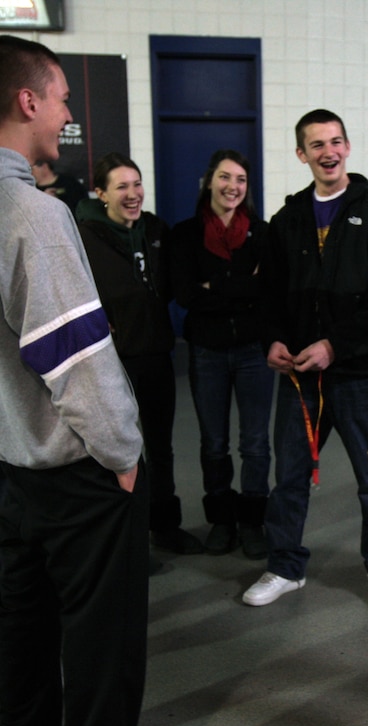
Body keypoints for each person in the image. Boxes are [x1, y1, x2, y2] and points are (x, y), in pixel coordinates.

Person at [0, 35, 172, 726]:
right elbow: (74, 356)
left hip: (8, 461)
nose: (69, 114)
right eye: (63, 98)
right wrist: (124, 452)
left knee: (20, 615)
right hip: (70, 466)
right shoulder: (33, 216)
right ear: (28, 102)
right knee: (99, 625)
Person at [243, 109, 368, 613]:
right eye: (316, 145)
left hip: (359, 374)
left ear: (348, 147)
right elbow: (266, 294)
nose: (328, 152)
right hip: (299, 377)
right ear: (302, 154)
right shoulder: (286, 221)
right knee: (289, 477)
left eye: (336, 142)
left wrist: (335, 346)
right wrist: (272, 339)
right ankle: (285, 567)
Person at [77, 152, 202, 559]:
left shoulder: (154, 229)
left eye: (137, 184)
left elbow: (166, 287)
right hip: (112, 362)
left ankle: (165, 526)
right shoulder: (85, 236)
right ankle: (126, 541)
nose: (133, 194)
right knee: (119, 452)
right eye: (121, 186)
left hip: (156, 355)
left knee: (161, 447)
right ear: (101, 193)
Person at [171, 149, 273, 558]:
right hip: (207, 352)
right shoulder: (184, 235)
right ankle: (222, 520)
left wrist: (216, 286)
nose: (233, 187)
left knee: (255, 444)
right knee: (213, 442)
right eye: (226, 178)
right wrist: (239, 284)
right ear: (209, 181)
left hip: (253, 352)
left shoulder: (262, 235)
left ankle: (252, 521)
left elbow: (266, 291)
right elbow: (185, 295)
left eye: (241, 180)